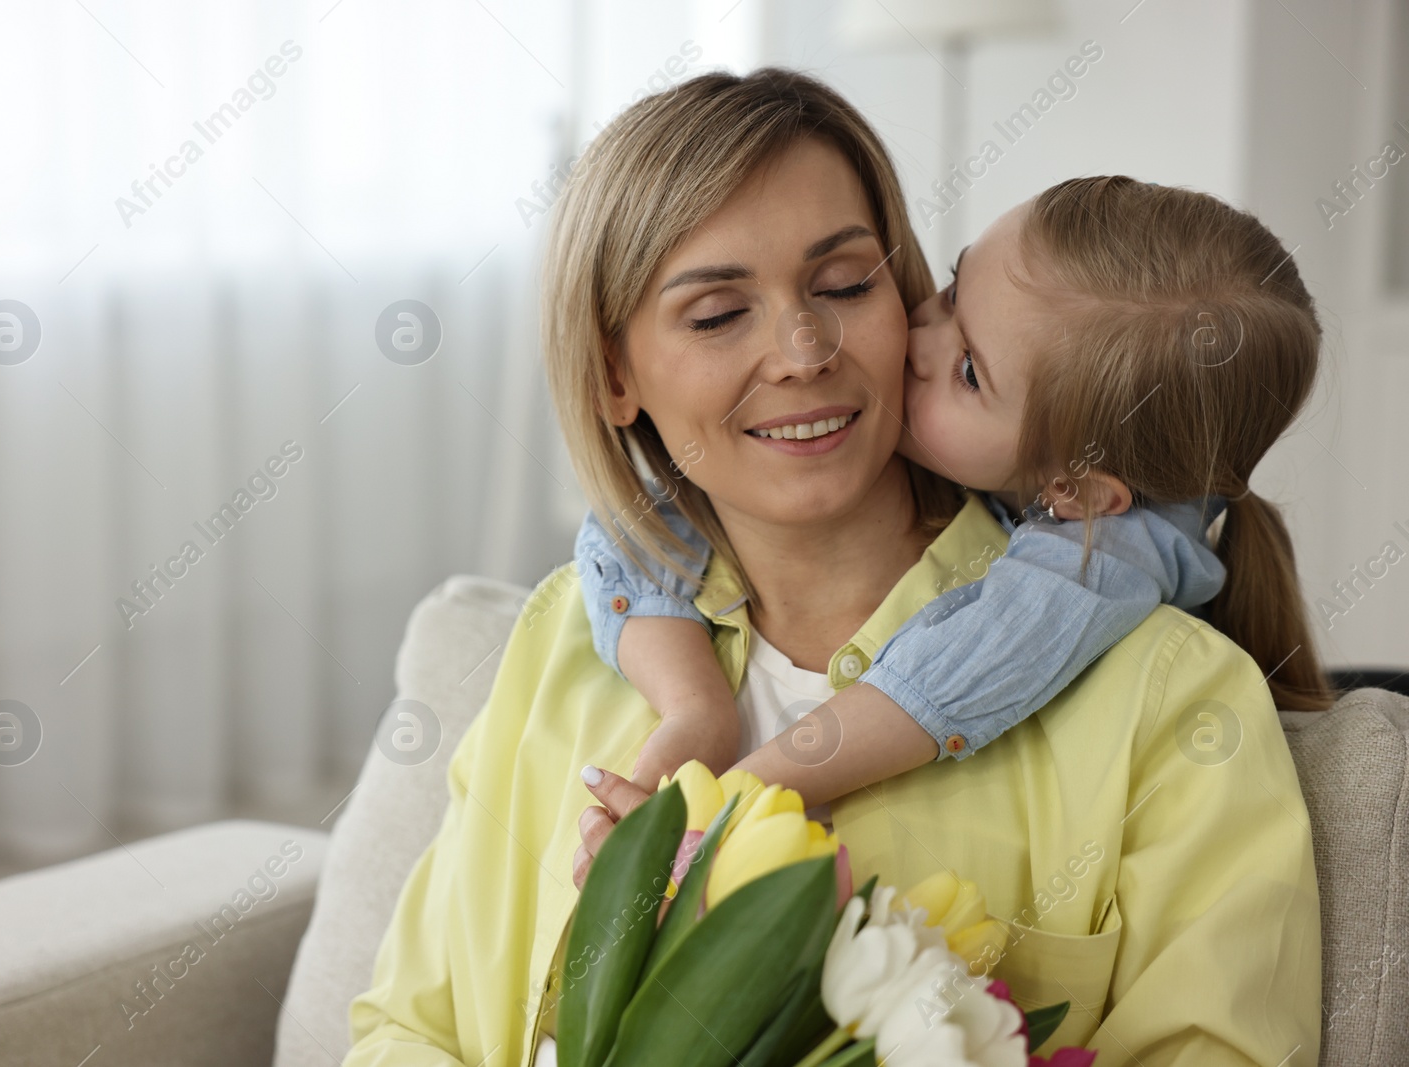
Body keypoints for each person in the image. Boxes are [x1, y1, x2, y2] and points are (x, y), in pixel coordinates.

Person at [344, 68, 1322, 1066]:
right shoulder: (560, 638)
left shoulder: (1172, 699)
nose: (804, 350)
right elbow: (405, 1030)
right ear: (614, 376)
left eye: (845, 284)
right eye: (718, 312)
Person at [573, 174, 1331, 818]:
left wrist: (739, 801)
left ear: (1073, 491)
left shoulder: (1107, 563)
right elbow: (632, 517)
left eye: (969, 371)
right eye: (950, 289)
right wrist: (695, 704)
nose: (916, 336)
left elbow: (962, 669)